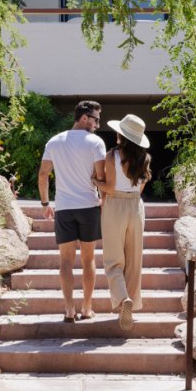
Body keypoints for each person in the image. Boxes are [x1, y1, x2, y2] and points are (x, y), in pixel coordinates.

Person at [38, 100, 106, 322]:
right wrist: (104, 199)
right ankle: (86, 308)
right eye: (96, 119)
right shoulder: (95, 143)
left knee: (65, 261)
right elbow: (101, 177)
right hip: (88, 207)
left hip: (64, 208)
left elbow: (42, 175)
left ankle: (69, 310)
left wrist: (45, 204)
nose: (98, 124)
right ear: (84, 118)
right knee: (89, 260)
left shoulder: (54, 141)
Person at [92, 114, 151, 330]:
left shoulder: (112, 156)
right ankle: (132, 305)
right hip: (136, 207)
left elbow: (110, 187)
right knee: (134, 259)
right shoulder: (145, 159)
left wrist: (95, 182)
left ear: (121, 135)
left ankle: (122, 298)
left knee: (113, 260)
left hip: (115, 206)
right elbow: (139, 188)